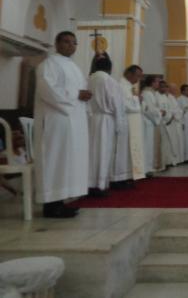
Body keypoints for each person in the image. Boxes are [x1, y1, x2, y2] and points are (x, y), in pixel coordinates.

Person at [34, 31, 92, 218]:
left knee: (66, 161)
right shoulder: (48, 64)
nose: (71, 45)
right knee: (55, 160)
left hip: (72, 121)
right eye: (66, 42)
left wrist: (83, 96)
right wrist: (77, 95)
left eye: (74, 43)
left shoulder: (73, 66)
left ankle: (61, 201)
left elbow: (77, 91)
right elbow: (47, 89)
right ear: (57, 43)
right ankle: (51, 205)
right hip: (56, 120)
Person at [88, 56, 123, 197]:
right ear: (109, 68)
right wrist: (120, 124)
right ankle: (100, 185)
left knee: (92, 153)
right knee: (103, 152)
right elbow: (116, 104)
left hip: (92, 119)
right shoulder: (109, 80)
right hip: (106, 120)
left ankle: (89, 184)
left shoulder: (89, 79)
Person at [112, 64, 145, 188]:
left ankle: (126, 177)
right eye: (137, 76)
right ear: (129, 74)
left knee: (128, 152)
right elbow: (125, 105)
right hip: (125, 123)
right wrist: (137, 100)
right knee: (122, 151)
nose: (138, 79)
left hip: (131, 125)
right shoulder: (121, 86)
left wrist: (136, 99)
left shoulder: (129, 86)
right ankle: (118, 179)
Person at [141, 75, 163, 174]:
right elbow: (149, 109)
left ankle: (150, 167)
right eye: (157, 82)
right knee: (148, 145)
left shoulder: (152, 93)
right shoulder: (147, 93)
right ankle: (147, 168)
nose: (158, 84)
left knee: (150, 145)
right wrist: (159, 113)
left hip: (152, 122)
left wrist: (158, 112)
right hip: (148, 122)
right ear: (152, 82)